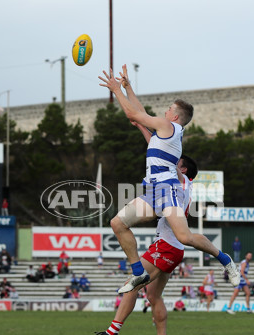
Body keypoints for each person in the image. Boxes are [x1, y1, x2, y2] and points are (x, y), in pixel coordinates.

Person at [98, 65, 240, 294]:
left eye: (168, 109)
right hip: (153, 192)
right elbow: (141, 116)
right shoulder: (167, 132)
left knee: (185, 237)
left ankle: (226, 261)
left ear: (174, 116)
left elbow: (134, 114)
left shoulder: (168, 126)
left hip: (166, 191)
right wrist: (128, 88)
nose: (164, 112)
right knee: (117, 223)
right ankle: (138, 272)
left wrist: (117, 90)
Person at [85, 153, 198, 335]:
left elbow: (166, 159)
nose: (172, 164)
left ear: (183, 171)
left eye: (177, 164)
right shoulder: (184, 186)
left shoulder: (181, 182)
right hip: (172, 247)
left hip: (166, 246)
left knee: (132, 285)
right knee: (153, 296)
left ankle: (112, 332)